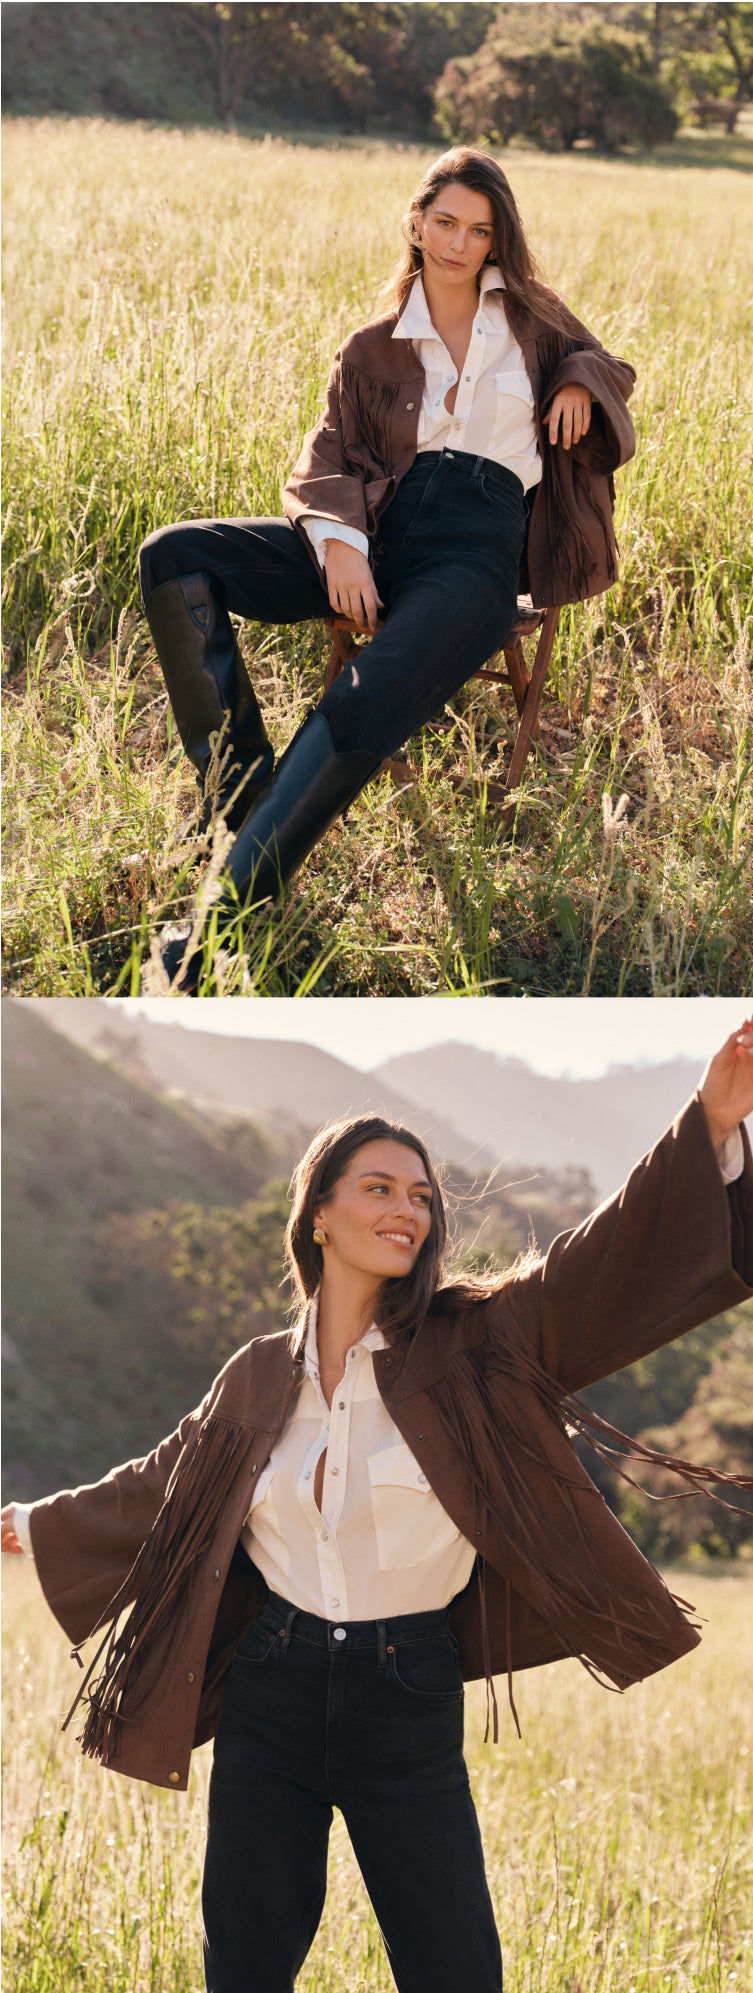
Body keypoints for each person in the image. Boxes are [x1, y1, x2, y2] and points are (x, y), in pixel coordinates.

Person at [3, 1021, 753, 1993]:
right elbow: (164, 1482)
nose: (409, 1209)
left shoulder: (482, 1344)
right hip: (271, 1687)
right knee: (245, 1958)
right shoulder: (254, 1377)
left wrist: (711, 1123)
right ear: (319, 1212)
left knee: (454, 1969)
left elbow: (593, 1262)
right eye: (380, 1188)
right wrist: (28, 1522)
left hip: (408, 1692)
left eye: (422, 1195)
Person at [137, 146, 636, 990]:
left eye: (478, 230)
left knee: (366, 693)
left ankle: (223, 917)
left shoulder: (533, 320)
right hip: (379, 526)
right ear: (416, 222)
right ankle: (244, 794)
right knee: (175, 554)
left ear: (494, 239)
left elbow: (610, 364)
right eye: (444, 222)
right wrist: (341, 543)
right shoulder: (371, 345)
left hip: (477, 547)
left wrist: (579, 381)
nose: (458, 243)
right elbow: (325, 453)